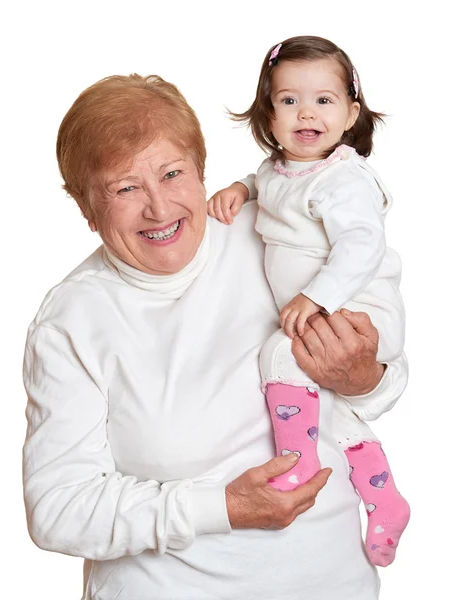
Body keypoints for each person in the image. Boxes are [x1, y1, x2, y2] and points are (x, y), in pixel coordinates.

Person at [22, 72, 408, 600]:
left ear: (202, 169)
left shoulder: (272, 230)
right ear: (86, 208)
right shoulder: (73, 319)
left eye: (172, 173)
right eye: (125, 188)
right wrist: (221, 507)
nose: (158, 208)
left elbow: (382, 373)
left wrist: (366, 377)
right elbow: (59, 510)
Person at [208, 35, 410, 567]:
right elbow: (268, 184)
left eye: (324, 100)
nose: (307, 112)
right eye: (289, 99)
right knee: (335, 415)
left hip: (358, 312)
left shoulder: (344, 178)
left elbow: (362, 244)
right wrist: (241, 189)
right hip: (327, 315)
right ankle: (385, 500)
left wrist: (316, 297)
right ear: (267, 115)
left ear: (351, 114)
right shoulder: (280, 170)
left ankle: (295, 462)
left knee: (278, 355)